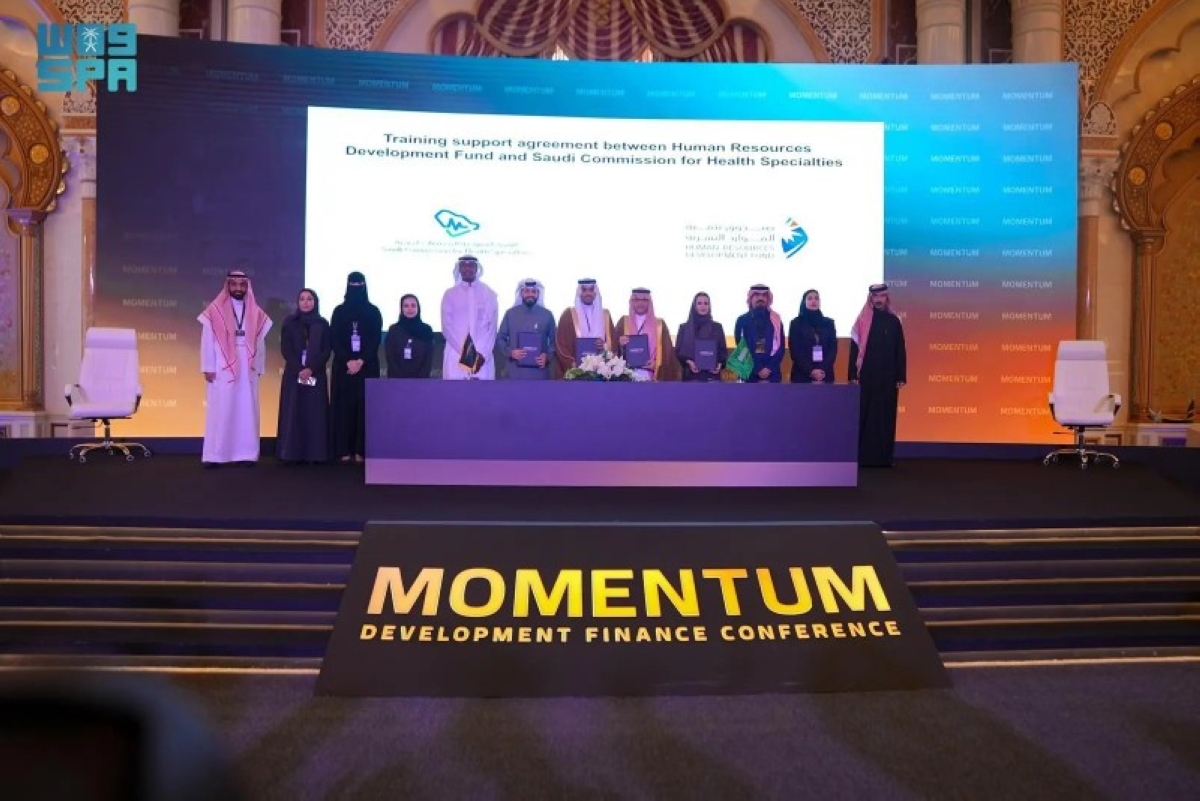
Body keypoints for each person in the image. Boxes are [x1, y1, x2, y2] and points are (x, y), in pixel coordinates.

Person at [198, 270, 272, 466]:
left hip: (248, 368)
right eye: (234, 284)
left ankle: (246, 454)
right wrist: (208, 366)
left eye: (242, 284)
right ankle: (216, 455)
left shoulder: (255, 312)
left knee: (247, 410)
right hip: (221, 367)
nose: (238, 288)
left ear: (247, 287)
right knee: (221, 410)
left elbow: (260, 342)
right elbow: (207, 340)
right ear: (228, 286)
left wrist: (258, 367)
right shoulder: (214, 310)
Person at [849, 283, 907, 467]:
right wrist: (852, 374)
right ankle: (863, 458)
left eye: (882, 296)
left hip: (888, 377)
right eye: (875, 297)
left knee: (885, 416)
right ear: (870, 298)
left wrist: (901, 375)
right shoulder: (862, 320)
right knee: (865, 414)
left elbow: (900, 349)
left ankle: (884, 459)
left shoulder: (894, 321)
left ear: (886, 298)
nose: (879, 300)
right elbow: (854, 348)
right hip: (866, 375)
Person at [329, 271, 383, 463]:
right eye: (352, 285)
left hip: (367, 366)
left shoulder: (374, 311)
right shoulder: (339, 311)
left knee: (365, 408)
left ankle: (362, 449)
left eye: (359, 285)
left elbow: (375, 339)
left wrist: (361, 361)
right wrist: (347, 361)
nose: (356, 288)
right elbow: (334, 338)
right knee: (343, 408)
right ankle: (343, 448)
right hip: (343, 367)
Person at [276, 288, 331, 464]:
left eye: (309, 299)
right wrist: (299, 368)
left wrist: (311, 368)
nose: (306, 302)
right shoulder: (289, 322)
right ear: (298, 302)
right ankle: (291, 453)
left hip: (316, 374)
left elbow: (326, 350)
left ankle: (315, 454)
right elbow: (286, 349)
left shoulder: (322, 324)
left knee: (314, 413)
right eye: (302, 299)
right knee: (293, 412)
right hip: (294, 374)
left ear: (315, 302)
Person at [440, 254, 498, 380]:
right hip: (456, 353)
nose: (467, 269)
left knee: (484, 391)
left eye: (471, 266)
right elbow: (447, 327)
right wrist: (466, 352)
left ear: (477, 268)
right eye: (464, 266)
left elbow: (492, 328)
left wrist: (483, 354)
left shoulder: (489, 294)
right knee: (454, 390)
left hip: (482, 355)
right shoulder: (450, 294)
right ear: (459, 269)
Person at [615, 288, 679, 381]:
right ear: (631, 302)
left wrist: (656, 364)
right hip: (626, 375)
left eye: (644, 300)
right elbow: (612, 348)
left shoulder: (659, 324)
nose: (640, 303)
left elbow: (667, 352)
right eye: (636, 300)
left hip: (651, 375)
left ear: (650, 302)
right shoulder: (623, 322)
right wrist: (618, 342)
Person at [498, 278, 557, 380]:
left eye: (534, 292)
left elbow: (555, 341)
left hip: (539, 373)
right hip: (514, 372)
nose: (530, 294)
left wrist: (547, 356)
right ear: (521, 293)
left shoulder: (547, 315)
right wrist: (510, 352)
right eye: (527, 291)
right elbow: (500, 338)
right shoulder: (510, 314)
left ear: (538, 294)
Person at [555, 278, 616, 375]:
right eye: (584, 290)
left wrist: (604, 346)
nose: (588, 293)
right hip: (576, 372)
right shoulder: (568, 314)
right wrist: (573, 365)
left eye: (591, 290)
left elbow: (614, 342)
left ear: (595, 292)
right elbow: (561, 345)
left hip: (601, 372)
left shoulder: (605, 315)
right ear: (579, 293)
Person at [733, 284, 785, 383]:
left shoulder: (776, 320)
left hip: (772, 373)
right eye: (757, 295)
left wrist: (769, 368)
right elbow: (741, 348)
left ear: (768, 299)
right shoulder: (742, 320)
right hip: (749, 372)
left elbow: (781, 347)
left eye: (764, 295)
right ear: (750, 298)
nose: (761, 298)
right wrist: (757, 368)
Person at [788, 289, 838, 384]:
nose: (813, 301)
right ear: (804, 302)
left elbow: (832, 349)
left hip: (825, 374)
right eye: (810, 298)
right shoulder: (796, 323)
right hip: (802, 374)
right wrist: (811, 371)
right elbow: (795, 350)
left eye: (816, 298)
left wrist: (822, 370)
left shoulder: (829, 323)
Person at [675, 292, 727, 382]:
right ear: (694, 306)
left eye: (706, 303)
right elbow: (678, 352)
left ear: (709, 306)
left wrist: (720, 365)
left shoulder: (717, 327)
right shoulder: (684, 328)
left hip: (712, 376)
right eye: (699, 303)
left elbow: (723, 352)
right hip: (691, 376)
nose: (703, 306)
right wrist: (689, 362)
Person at [385, 294, 434, 379]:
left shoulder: (426, 330)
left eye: (413, 305)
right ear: (401, 309)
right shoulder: (393, 330)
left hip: (421, 380)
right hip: (397, 379)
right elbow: (390, 357)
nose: (410, 309)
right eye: (406, 306)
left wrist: (419, 378)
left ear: (418, 308)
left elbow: (428, 359)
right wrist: (400, 378)